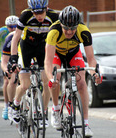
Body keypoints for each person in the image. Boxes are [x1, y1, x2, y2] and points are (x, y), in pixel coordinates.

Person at [44, 5, 102, 137]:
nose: (69, 32)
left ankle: (85, 124)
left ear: (78, 25)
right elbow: (48, 61)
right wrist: (51, 78)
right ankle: (56, 109)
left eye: (72, 29)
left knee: (81, 83)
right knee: (56, 76)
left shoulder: (84, 31)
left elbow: (91, 59)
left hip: (73, 53)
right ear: (61, 24)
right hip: (57, 54)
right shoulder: (54, 31)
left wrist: (94, 74)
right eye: (66, 28)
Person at [8, 0, 58, 125]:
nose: (38, 16)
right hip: (26, 48)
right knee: (25, 84)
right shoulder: (25, 15)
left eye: (41, 12)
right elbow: (16, 38)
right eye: (35, 13)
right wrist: (13, 58)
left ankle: (43, 113)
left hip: (42, 47)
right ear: (31, 11)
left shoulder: (54, 16)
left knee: (46, 83)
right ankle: (16, 104)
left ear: (46, 8)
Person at [0, 15, 19, 120]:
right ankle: (6, 106)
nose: (12, 28)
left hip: (17, 53)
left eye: (14, 26)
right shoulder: (1, 33)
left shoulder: (20, 32)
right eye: (10, 26)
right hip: (4, 54)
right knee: (7, 79)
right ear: (6, 26)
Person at [1, 31, 18, 120]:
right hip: (11, 57)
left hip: (26, 54)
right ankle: (10, 105)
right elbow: (4, 61)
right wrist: (6, 70)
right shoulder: (10, 39)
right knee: (12, 78)